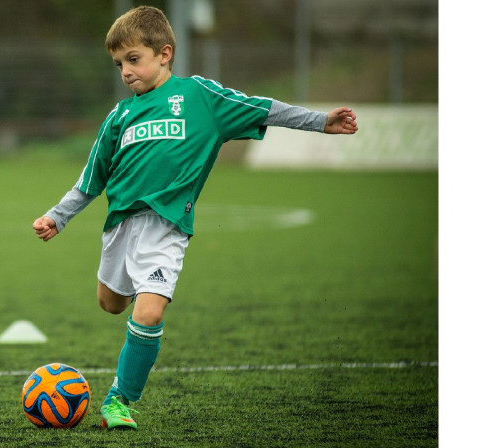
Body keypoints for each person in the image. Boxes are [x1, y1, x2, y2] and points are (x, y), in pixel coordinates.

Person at [32, 6, 358, 431]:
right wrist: (58, 218)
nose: (126, 71)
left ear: (164, 53)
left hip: (167, 228)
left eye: (134, 59)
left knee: (148, 314)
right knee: (110, 303)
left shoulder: (200, 97)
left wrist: (320, 121)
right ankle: (141, 293)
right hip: (120, 228)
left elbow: (263, 108)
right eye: (118, 64)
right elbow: (90, 179)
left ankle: (119, 400)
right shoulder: (119, 117)